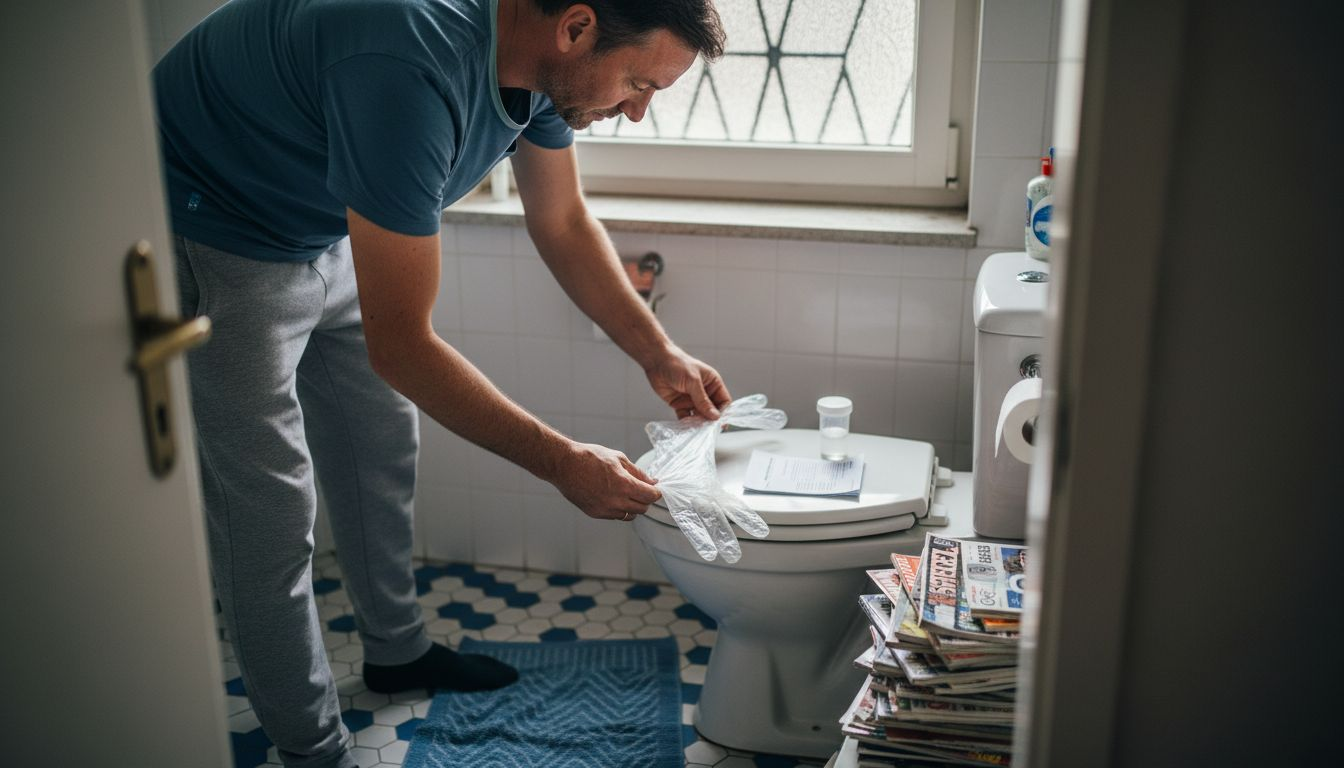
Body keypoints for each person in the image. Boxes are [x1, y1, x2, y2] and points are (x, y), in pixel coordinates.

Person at [152, 1, 729, 765]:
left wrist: (658, 352)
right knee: (267, 511)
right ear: (577, 27)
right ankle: (313, 750)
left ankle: (397, 650)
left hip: (327, 225)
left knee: (380, 438)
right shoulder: (407, 65)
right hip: (221, 230)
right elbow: (405, 348)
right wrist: (562, 463)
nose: (636, 112)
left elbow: (560, 220)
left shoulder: (541, 65)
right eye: (636, 83)